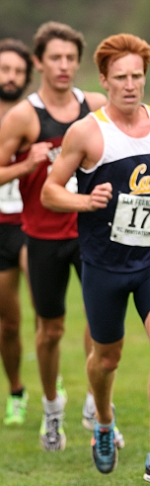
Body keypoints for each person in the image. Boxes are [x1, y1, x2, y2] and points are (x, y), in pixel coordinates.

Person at [41, 33, 150, 486]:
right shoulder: (87, 131)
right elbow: (51, 190)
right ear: (104, 80)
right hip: (103, 263)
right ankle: (102, 420)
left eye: (138, 77)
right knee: (105, 359)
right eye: (121, 77)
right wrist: (85, 202)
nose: (131, 85)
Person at [0, 22, 107, 451]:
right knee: (50, 330)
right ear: (38, 63)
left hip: (90, 230)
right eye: (55, 58)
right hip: (40, 234)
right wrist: (27, 165)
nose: (64, 66)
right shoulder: (24, 116)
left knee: (101, 324)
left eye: (70, 59)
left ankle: (93, 400)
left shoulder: (95, 105)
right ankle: (50, 408)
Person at [0, 38, 33, 427]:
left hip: (31, 223)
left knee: (47, 311)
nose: (10, 77)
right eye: (4, 69)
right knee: (8, 322)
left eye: (17, 71)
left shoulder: (34, 115)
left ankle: (49, 369)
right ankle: (16, 391)